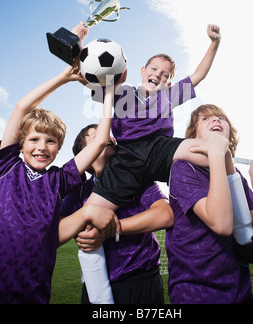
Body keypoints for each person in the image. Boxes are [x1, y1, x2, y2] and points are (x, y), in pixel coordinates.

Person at [76, 24, 221, 302]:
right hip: (127, 158)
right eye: (154, 68)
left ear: (169, 83)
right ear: (142, 71)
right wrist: (80, 47)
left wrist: (214, 42)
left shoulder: (169, 96)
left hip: (160, 150)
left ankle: (243, 235)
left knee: (213, 150)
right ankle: (100, 299)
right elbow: (89, 76)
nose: (159, 74)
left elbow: (199, 75)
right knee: (88, 221)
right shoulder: (120, 92)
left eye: (165, 74)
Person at [0, 24, 121, 304]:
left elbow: (97, 144)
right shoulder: (5, 167)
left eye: (50, 142)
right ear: (21, 144)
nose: (41, 147)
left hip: (32, 292)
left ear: (58, 148)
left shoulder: (58, 181)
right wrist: (64, 77)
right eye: (34, 139)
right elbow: (21, 108)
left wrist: (109, 92)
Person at [165, 104, 253, 304]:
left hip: (239, 289)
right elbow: (221, 224)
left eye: (221, 118)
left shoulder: (236, 177)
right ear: (193, 135)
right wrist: (217, 154)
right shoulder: (183, 168)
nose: (216, 120)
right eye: (206, 119)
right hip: (195, 291)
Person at [59, 124, 174, 304]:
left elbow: (165, 215)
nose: (110, 137)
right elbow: (58, 229)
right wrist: (78, 230)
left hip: (141, 282)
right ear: (85, 153)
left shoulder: (137, 176)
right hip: (95, 282)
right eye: (98, 136)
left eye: (109, 134)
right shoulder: (79, 190)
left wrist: (109, 230)